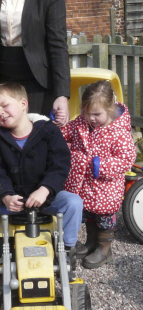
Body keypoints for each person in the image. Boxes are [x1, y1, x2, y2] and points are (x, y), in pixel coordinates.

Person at [0, 82, 83, 276]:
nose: (1, 113)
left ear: (23, 104)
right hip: (13, 199)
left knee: (74, 202)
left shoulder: (48, 132)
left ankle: (66, 249)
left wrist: (46, 189)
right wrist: (5, 195)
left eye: (5, 105)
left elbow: (60, 164)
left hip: (45, 198)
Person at [61, 80, 136, 269]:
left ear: (110, 109)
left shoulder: (119, 132)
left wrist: (100, 166)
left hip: (105, 187)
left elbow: (126, 158)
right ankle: (91, 243)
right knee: (90, 216)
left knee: (104, 219)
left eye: (96, 114)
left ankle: (104, 250)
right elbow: (65, 132)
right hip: (83, 185)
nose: (91, 118)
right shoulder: (81, 123)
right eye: (87, 113)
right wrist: (57, 124)